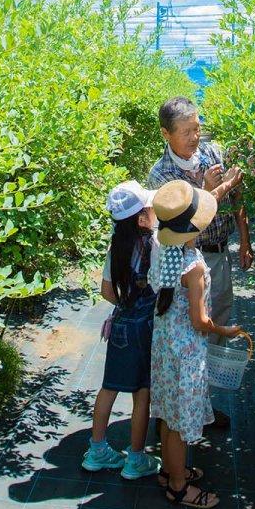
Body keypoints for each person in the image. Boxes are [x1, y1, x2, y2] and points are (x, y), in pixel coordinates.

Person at [147, 96, 253, 428]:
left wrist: (245, 240)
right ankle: (181, 408)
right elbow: (179, 225)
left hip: (218, 257)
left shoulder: (213, 153)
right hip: (184, 264)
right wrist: (209, 190)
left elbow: (238, 200)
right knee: (189, 330)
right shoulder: (160, 175)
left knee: (214, 323)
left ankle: (200, 403)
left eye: (198, 128)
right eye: (187, 131)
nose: (195, 137)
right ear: (166, 133)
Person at [149, 179, 243, 509]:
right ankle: (178, 486)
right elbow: (200, 322)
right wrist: (225, 331)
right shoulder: (195, 266)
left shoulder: (164, 252)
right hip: (185, 353)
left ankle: (169, 470)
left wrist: (223, 186)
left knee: (167, 417)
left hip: (163, 350)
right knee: (177, 425)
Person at [81, 180, 162, 480]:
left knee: (109, 386)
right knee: (142, 392)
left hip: (120, 325)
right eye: (150, 208)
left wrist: (125, 303)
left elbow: (106, 291)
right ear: (142, 218)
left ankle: (97, 450)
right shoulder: (152, 244)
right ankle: (136, 458)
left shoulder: (116, 244)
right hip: (144, 328)